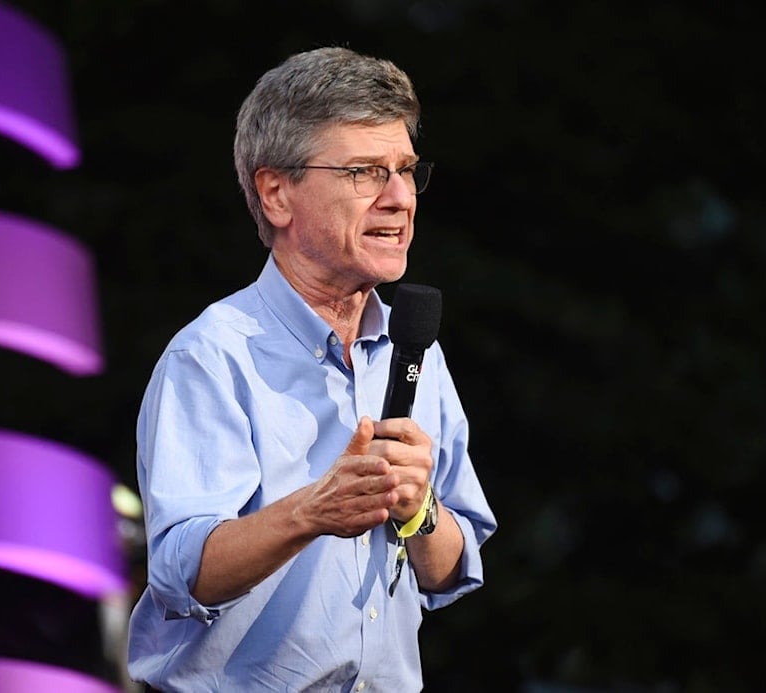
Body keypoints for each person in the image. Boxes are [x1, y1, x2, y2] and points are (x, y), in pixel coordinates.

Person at [127, 45, 497, 692]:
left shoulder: (416, 351)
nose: (400, 198)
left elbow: (450, 567)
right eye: (365, 172)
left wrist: (418, 509)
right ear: (276, 193)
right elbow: (182, 572)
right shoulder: (214, 355)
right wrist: (313, 510)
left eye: (407, 170)